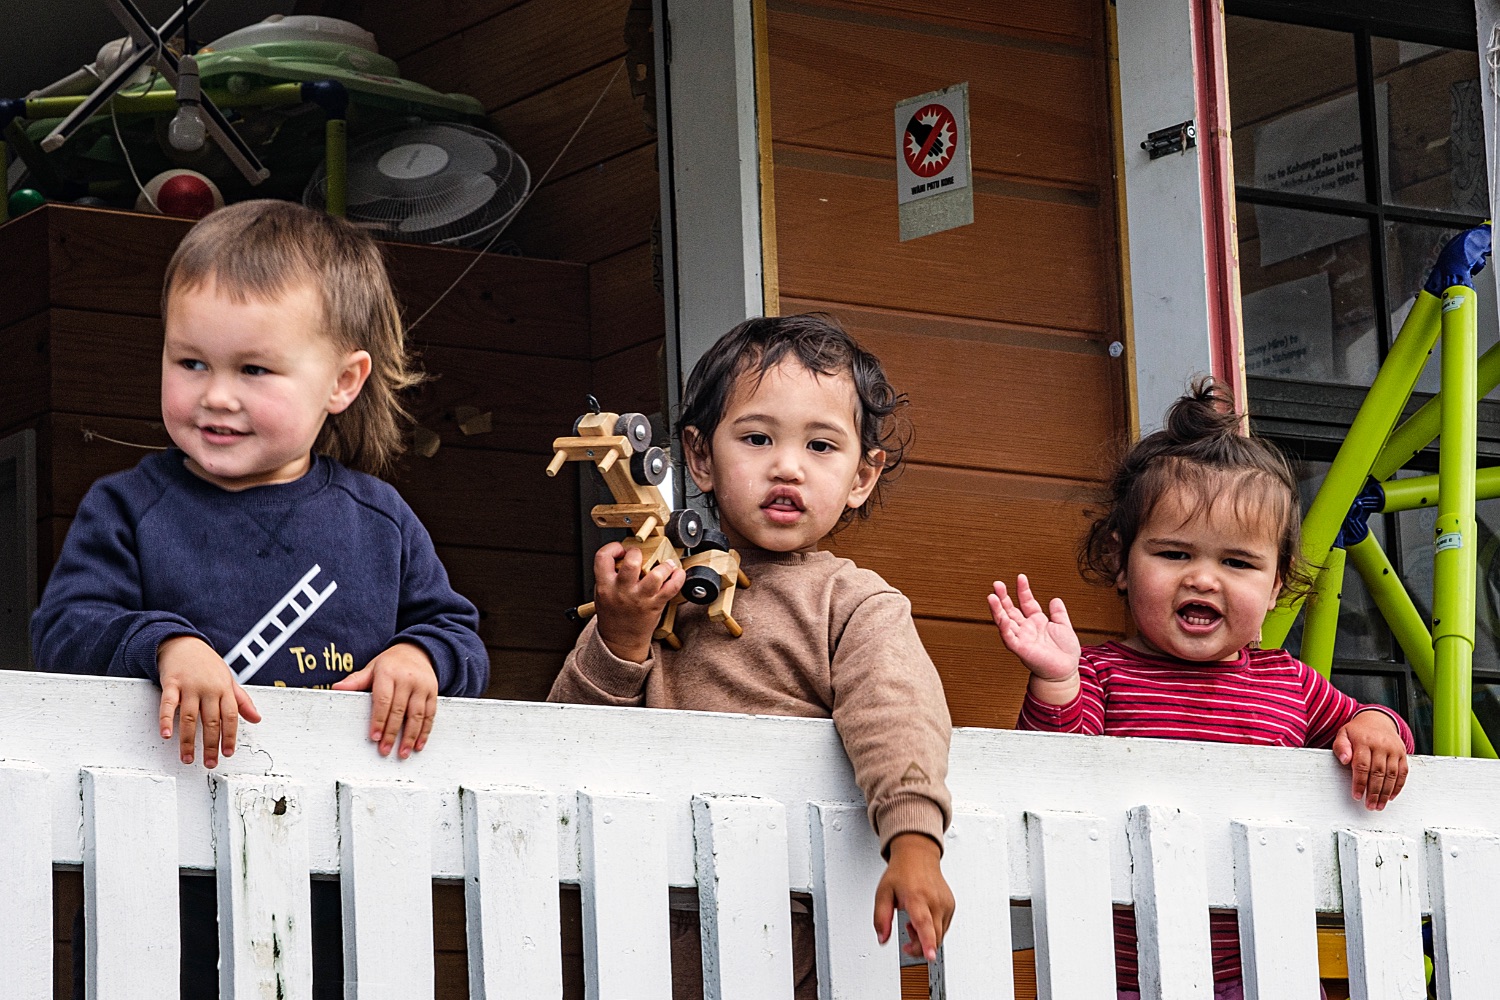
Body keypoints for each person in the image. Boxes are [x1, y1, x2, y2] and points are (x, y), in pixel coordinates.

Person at [30, 199, 488, 999]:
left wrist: (421, 657)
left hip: (338, 873)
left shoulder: (379, 522)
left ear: (343, 381)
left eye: (253, 369)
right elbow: (64, 632)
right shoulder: (127, 509)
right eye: (190, 363)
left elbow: (457, 632)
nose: (215, 396)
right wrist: (167, 645)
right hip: (158, 869)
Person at [548, 314, 954, 998]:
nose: (787, 465)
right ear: (700, 457)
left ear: (863, 474)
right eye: (758, 438)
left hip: (788, 913)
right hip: (638, 903)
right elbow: (564, 742)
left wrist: (913, 840)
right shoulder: (656, 585)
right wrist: (620, 636)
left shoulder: (853, 602)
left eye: (822, 445)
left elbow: (898, 715)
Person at [988, 377, 1413, 1000]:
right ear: (1121, 561)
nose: (1204, 579)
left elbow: (1364, 722)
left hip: (1268, 969)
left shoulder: (1288, 683)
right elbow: (1056, 776)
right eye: (1174, 554)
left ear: (1276, 586)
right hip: (1121, 974)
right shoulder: (1102, 676)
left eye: (1238, 563)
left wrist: (1378, 726)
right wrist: (1055, 678)